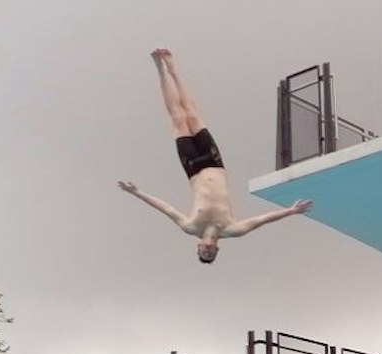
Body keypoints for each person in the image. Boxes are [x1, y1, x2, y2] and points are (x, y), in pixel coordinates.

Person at [118, 48, 313, 263]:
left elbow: (165, 208)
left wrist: (136, 193)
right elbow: (263, 219)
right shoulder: (233, 229)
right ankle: (173, 68)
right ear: (217, 251)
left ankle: (160, 70)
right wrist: (291, 211)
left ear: (199, 246)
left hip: (192, 169)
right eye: (210, 254)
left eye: (204, 253)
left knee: (178, 118)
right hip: (215, 164)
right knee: (192, 114)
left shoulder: (190, 226)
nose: (208, 251)